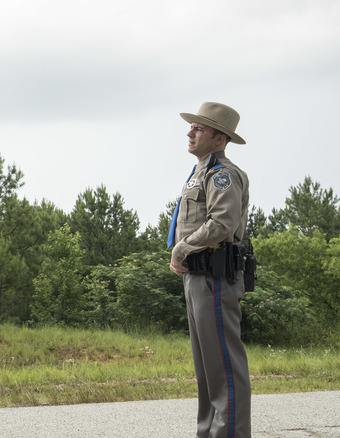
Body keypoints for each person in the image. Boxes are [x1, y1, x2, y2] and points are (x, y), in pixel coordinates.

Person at [167, 102, 251, 438]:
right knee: (207, 371)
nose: (190, 132)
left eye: (198, 128)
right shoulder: (202, 173)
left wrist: (182, 247)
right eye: (192, 127)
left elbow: (222, 223)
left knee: (224, 370)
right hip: (197, 278)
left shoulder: (222, 174)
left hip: (214, 279)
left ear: (219, 138)